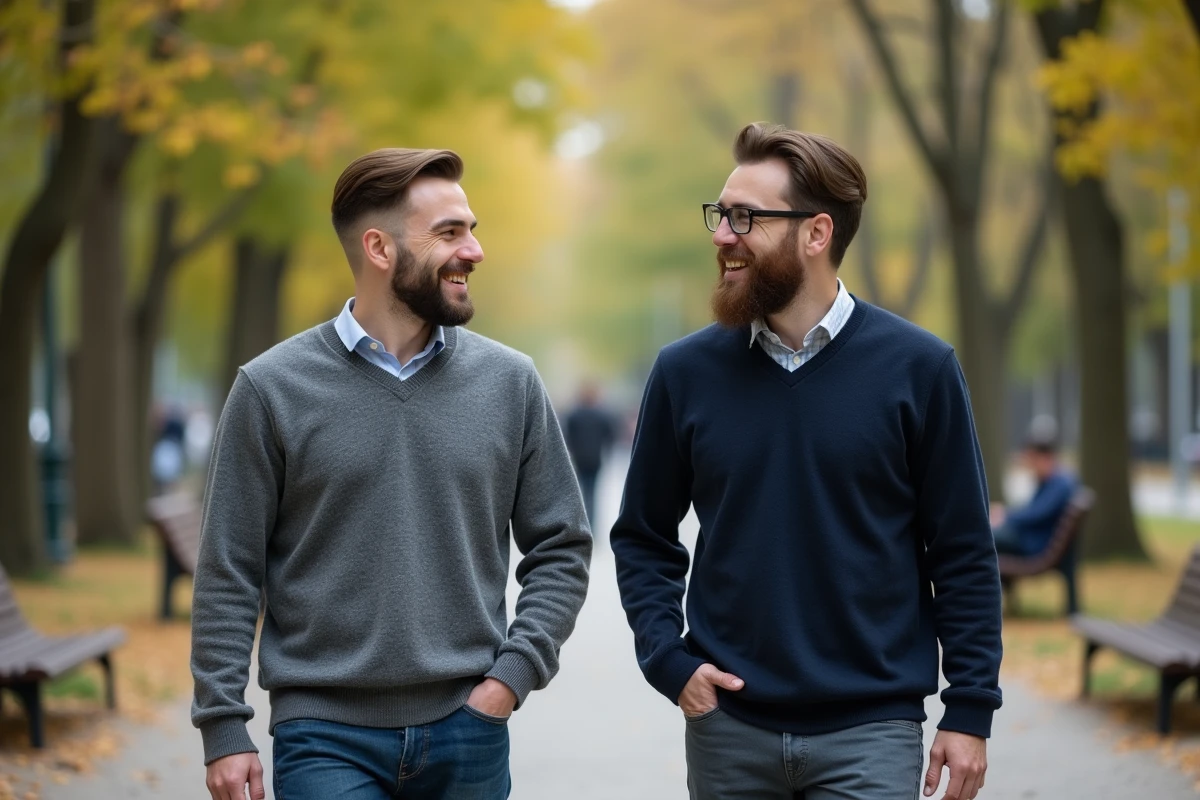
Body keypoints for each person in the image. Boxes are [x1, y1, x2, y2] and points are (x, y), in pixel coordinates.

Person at [611, 123, 1002, 800]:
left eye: (744, 218)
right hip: (728, 728)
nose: (721, 236)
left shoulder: (920, 368)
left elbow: (963, 550)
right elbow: (643, 535)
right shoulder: (685, 372)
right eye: (720, 214)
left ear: (816, 234)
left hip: (872, 731)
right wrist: (667, 660)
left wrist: (970, 709)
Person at [191, 147, 592, 800]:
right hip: (323, 734)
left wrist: (510, 678)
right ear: (379, 249)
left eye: (473, 229)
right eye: (449, 233)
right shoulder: (271, 389)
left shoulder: (509, 382)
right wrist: (223, 727)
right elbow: (229, 568)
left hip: (470, 729)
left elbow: (562, 544)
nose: (474, 251)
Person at [992, 433, 1076, 556]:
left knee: (985, 536)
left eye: (1032, 458)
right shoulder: (1056, 480)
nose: (1030, 464)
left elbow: (1037, 514)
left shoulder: (1059, 484)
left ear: (1045, 457)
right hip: (1032, 538)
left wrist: (1005, 516)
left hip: (1033, 543)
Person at [563, 381, 617, 532]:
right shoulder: (602, 415)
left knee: (578, 493)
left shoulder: (574, 415)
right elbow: (611, 437)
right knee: (592, 493)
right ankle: (591, 526)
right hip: (595, 459)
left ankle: (580, 525)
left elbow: (566, 437)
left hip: (579, 459)